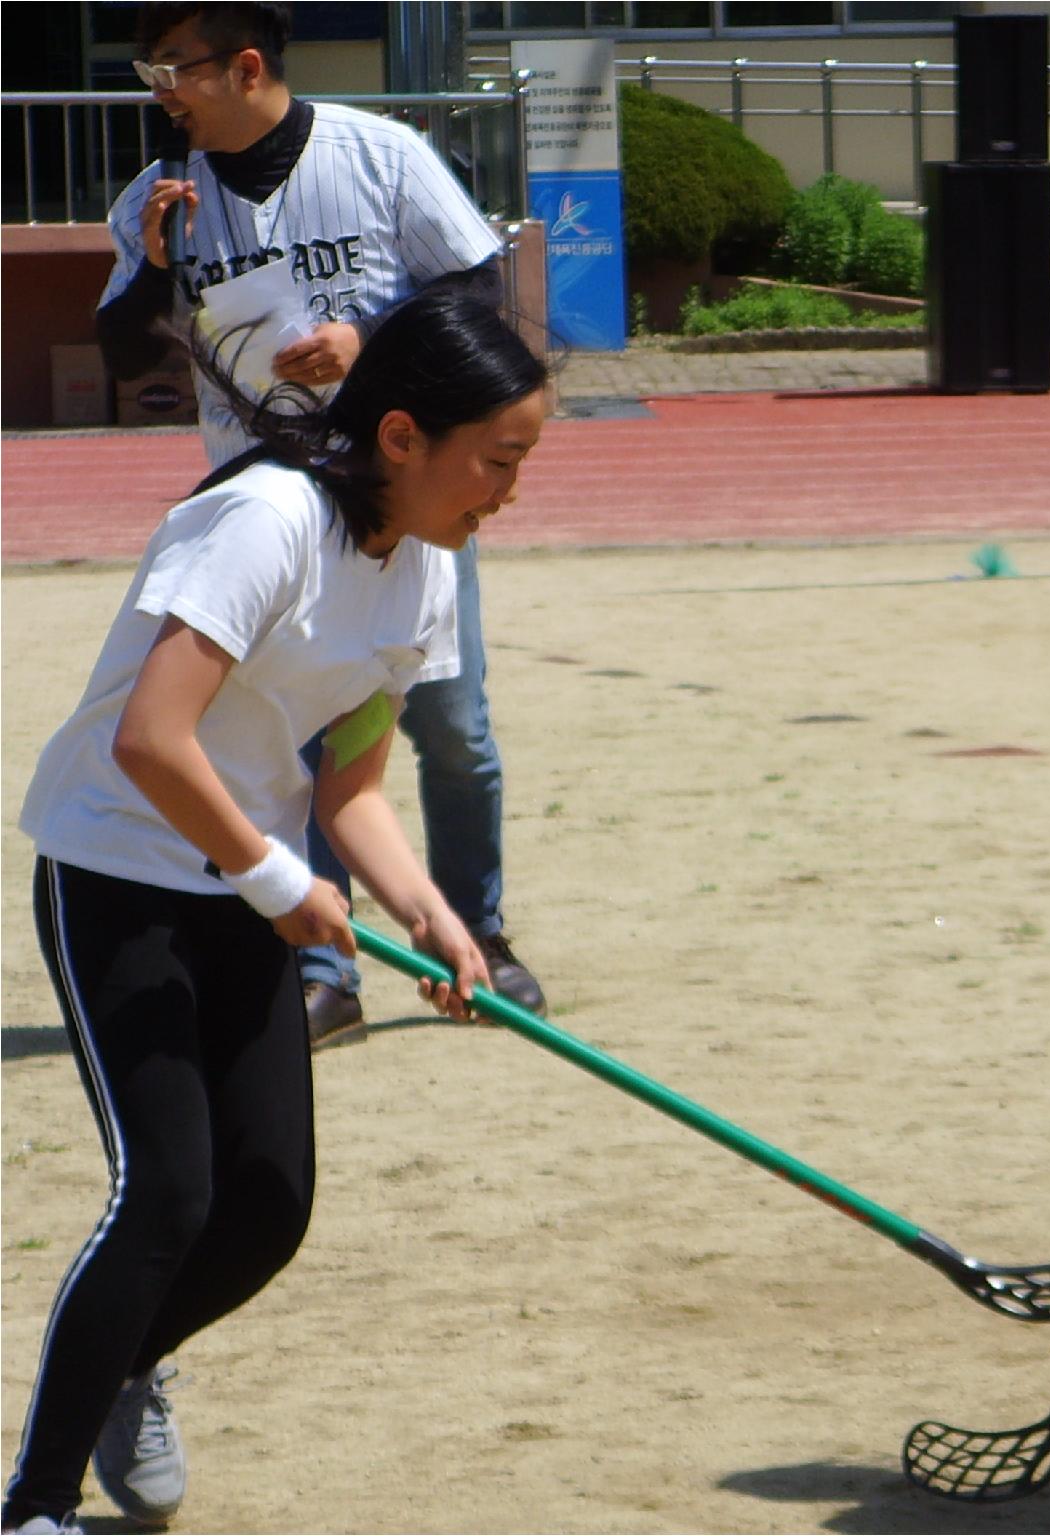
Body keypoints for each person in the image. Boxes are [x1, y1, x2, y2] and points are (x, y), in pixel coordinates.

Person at [2, 289, 549, 1536]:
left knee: (266, 1207)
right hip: (121, 866)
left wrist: (431, 913)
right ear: (403, 437)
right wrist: (274, 881)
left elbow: (348, 784)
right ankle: (34, 1505)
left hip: (250, 882)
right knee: (170, 1192)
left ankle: (130, 1362)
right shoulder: (265, 520)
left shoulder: (421, 573)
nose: (509, 491)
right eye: (498, 460)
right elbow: (152, 740)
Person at [95, 1, 548, 1053]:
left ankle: (475, 929)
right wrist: (157, 268)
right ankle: (325, 966)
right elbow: (121, 352)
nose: (161, 95)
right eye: (148, 71)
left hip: (405, 495)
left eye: (175, 70)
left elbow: (478, 288)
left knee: (452, 731)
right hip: (273, 510)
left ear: (244, 65)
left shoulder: (380, 154)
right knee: (301, 749)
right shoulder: (160, 197)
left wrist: (368, 342)